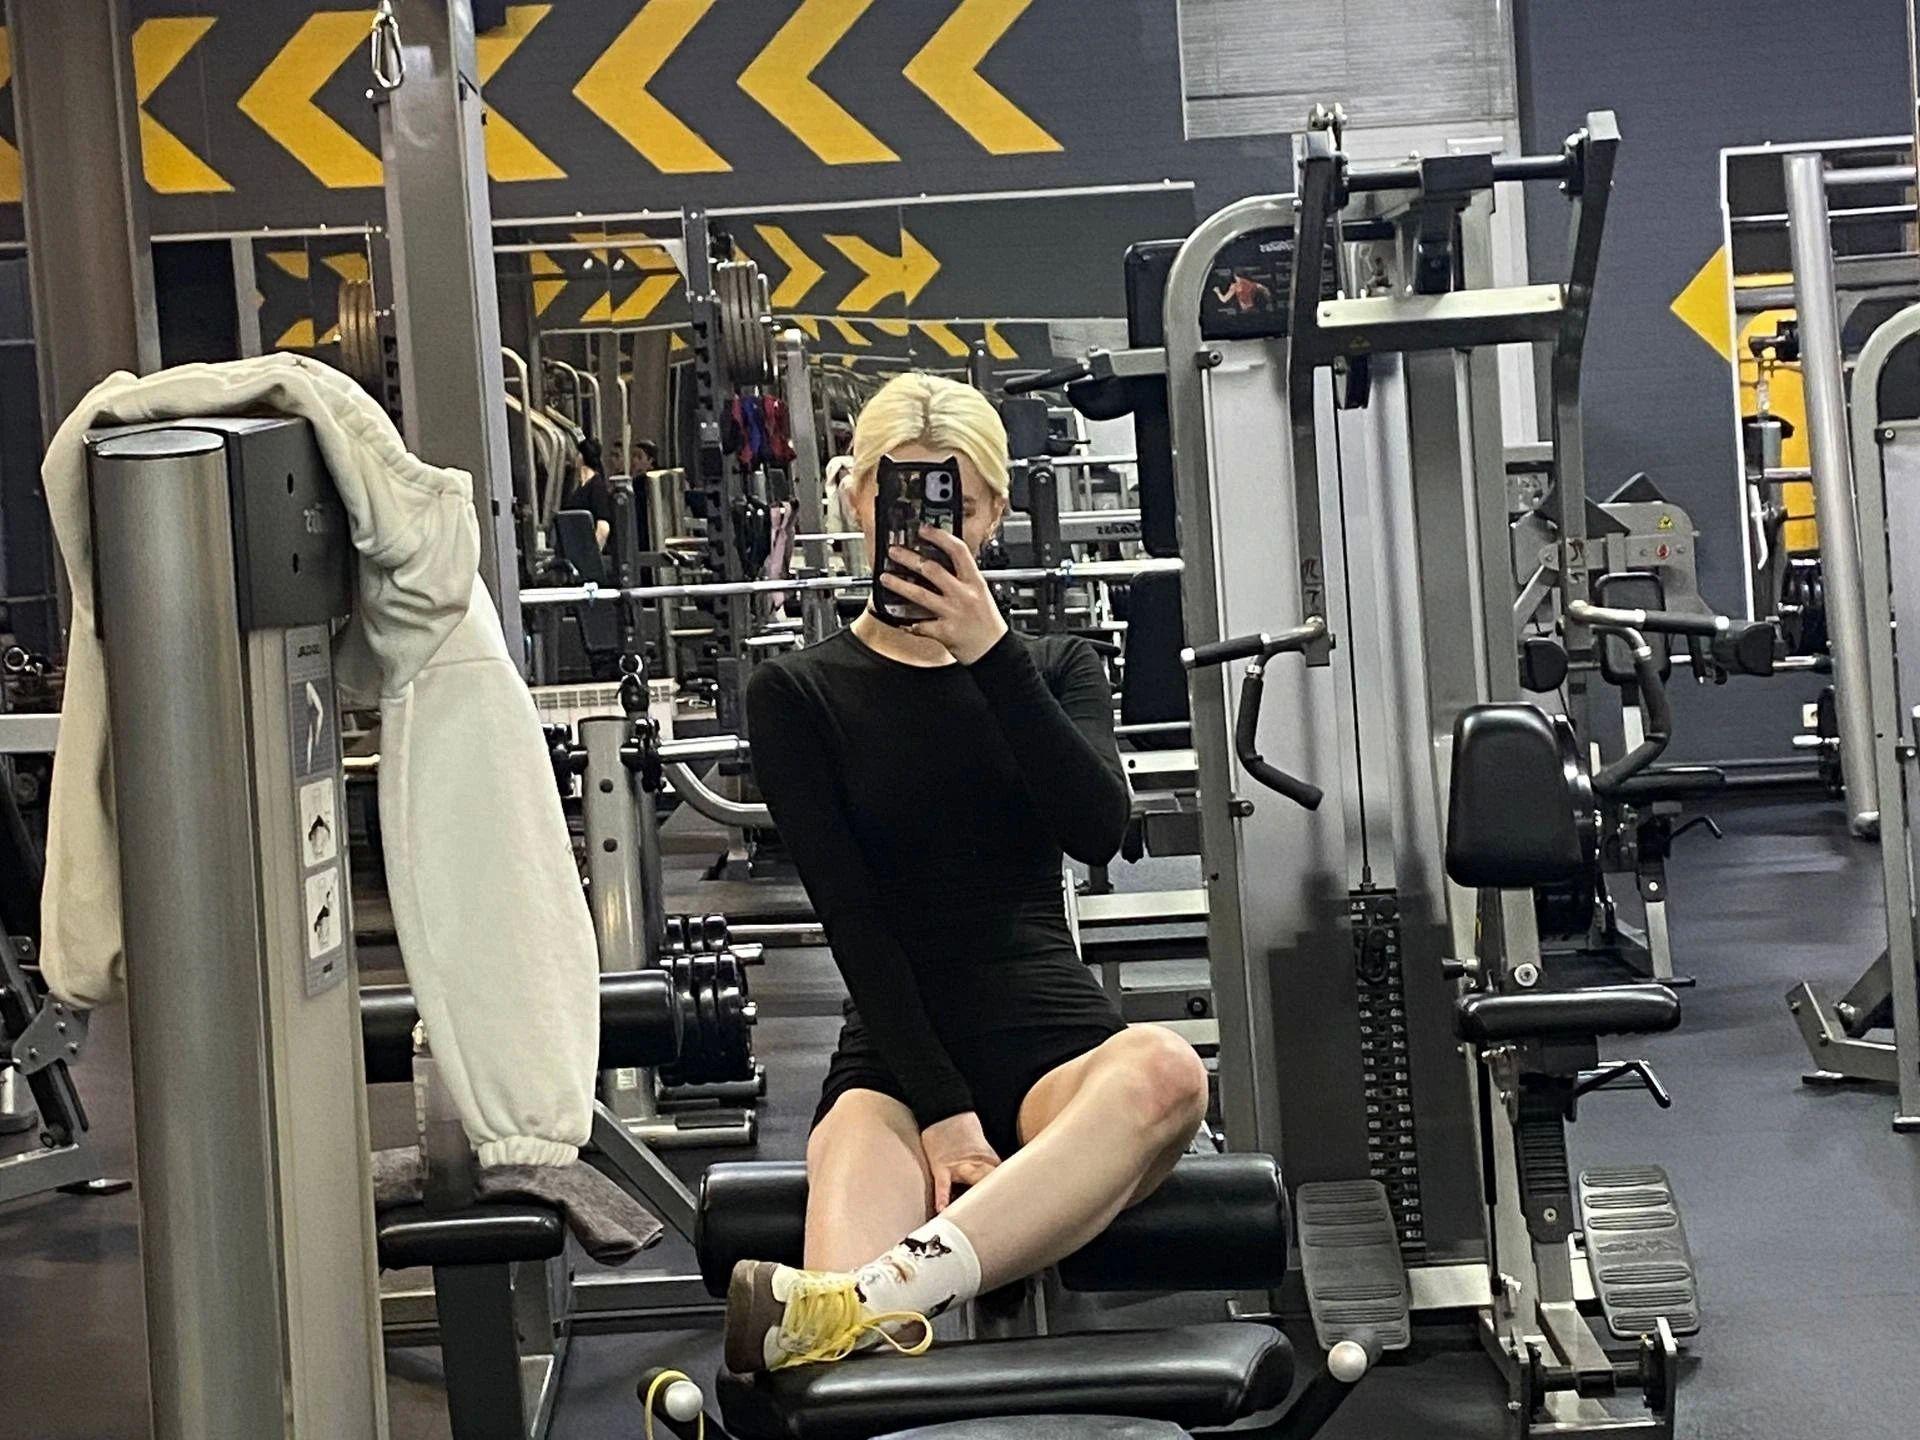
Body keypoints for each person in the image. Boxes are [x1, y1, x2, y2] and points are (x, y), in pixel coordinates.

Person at [730, 372, 1209, 1374]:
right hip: (897, 1059)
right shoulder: (795, 693)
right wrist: (945, 1114)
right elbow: (854, 920)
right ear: (859, 501)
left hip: (1054, 1041)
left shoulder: (1057, 665)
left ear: (989, 513)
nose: (919, 519)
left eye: (952, 497)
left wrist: (989, 652)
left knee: (1168, 1070)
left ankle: (878, 1298)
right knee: (826, 1372)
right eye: (895, 492)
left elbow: (1097, 828)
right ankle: (863, 1306)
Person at [560, 435, 613, 550]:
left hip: (585, 548)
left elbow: (603, 527)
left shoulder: (596, 486)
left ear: (581, 457)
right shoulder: (579, 486)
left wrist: (592, 554)